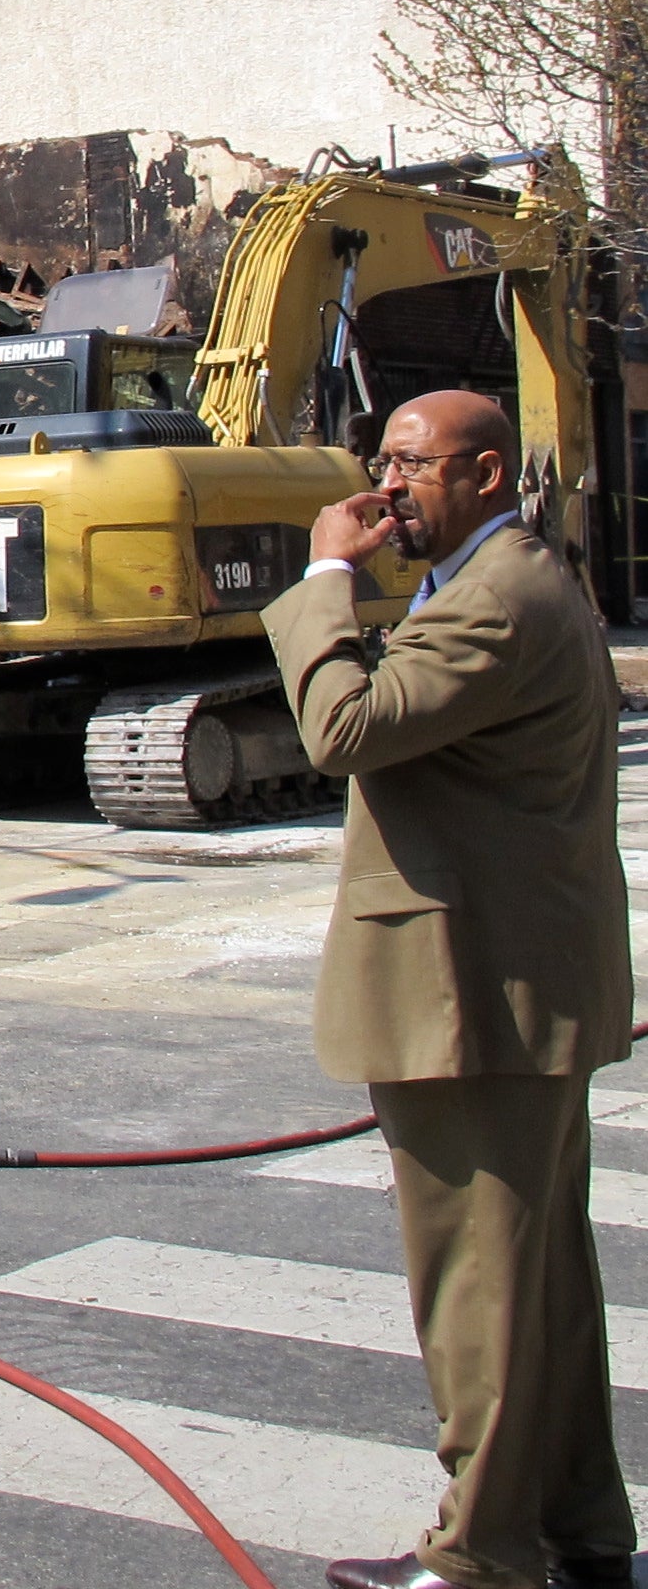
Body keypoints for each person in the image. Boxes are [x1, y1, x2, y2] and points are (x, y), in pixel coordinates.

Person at [261, 389, 633, 1589]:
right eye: (382, 459)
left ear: (481, 472)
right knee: (538, 1285)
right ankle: (577, 1530)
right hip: (502, 972)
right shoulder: (501, 576)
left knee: (477, 1285)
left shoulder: (491, 595)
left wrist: (324, 580)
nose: (386, 484)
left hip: (475, 985)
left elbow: (345, 723)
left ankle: (477, 1557)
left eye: (413, 464)